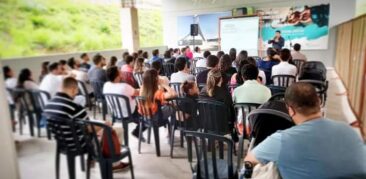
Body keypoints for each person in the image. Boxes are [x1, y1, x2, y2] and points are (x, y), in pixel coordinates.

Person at [244, 83, 366, 179]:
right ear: (319, 102)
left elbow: (249, 160)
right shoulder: (349, 131)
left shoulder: (281, 139)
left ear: (290, 110)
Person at [43, 77, 129, 171]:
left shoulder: (48, 105)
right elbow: (89, 128)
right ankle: (113, 164)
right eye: (77, 90)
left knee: (100, 128)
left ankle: (92, 159)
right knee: (116, 130)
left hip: (62, 143)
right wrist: (103, 124)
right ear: (73, 89)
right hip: (81, 145)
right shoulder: (74, 107)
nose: (76, 93)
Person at [103, 67, 146, 140]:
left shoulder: (106, 85)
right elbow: (138, 93)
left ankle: (138, 124)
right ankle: (137, 131)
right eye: (120, 72)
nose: (122, 72)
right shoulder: (124, 86)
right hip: (129, 114)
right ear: (117, 76)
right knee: (148, 115)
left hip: (115, 113)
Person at [199, 68, 236, 137]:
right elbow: (231, 113)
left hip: (205, 123)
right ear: (221, 79)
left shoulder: (202, 91)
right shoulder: (224, 94)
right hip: (222, 126)